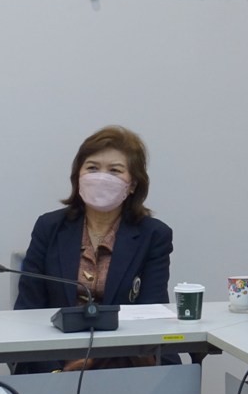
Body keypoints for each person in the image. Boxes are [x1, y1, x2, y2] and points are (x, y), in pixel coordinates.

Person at [14, 125, 173, 372]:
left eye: (115, 171)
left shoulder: (153, 235)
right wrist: (58, 369)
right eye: (92, 168)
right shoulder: (49, 227)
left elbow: (151, 315)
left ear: (132, 184)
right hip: (55, 360)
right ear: (78, 176)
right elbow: (28, 311)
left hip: (126, 362)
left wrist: (96, 363)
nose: (101, 178)